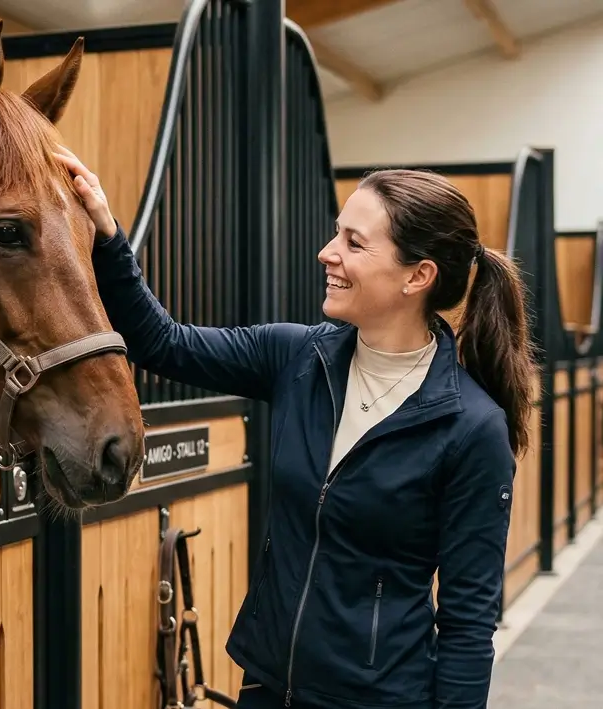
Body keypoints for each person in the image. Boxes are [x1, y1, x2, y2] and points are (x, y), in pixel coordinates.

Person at [53, 145, 536, 709]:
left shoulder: (472, 427)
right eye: (338, 233)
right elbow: (164, 342)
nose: (327, 253)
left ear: (418, 276)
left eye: (354, 243)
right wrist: (109, 236)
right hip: (267, 687)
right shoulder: (297, 356)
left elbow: (468, 622)